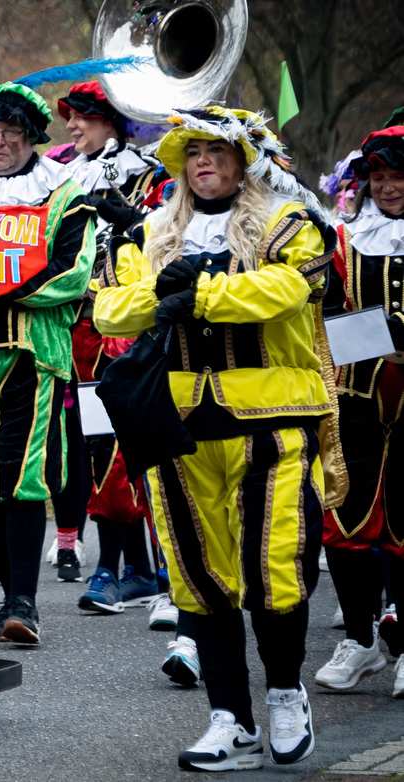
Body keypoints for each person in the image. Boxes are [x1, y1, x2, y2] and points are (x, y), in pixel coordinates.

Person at [93, 105, 335, 771]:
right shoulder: (149, 231)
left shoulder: (290, 223)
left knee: (274, 565)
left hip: (270, 419)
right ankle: (231, 719)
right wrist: (161, 297)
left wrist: (198, 293)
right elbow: (111, 305)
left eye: (218, 153)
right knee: (200, 575)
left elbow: (289, 289)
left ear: (243, 161)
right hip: (175, 425)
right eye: (194, 154)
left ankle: (286, 692)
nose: (205, 164)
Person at [0, 80, 97, 646]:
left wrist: (0, 284)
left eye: (11, 133)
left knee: (22, 475)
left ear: (32, 139)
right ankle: (5, 597)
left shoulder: (64, 196)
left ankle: (24, 603)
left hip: (32, 354)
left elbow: (72, 273)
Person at [52, 81, 163, 600]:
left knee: (124, 448)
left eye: (82, 118)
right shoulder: (69, 177)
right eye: (70, 118)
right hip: (82, 331)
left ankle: (130, 569)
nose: (72, 127)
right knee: (94, 447)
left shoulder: (147, 175)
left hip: (130, 328)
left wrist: (134, 222)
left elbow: (167, 242)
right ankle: (126, 568)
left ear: (110, 121)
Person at [316, 123, 404, 698]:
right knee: (344, 518)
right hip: (356, 395)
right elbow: (324, 312)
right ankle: (359, 638)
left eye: (399, 176)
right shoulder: (347, 239)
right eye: (379, 176)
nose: (389, 187)